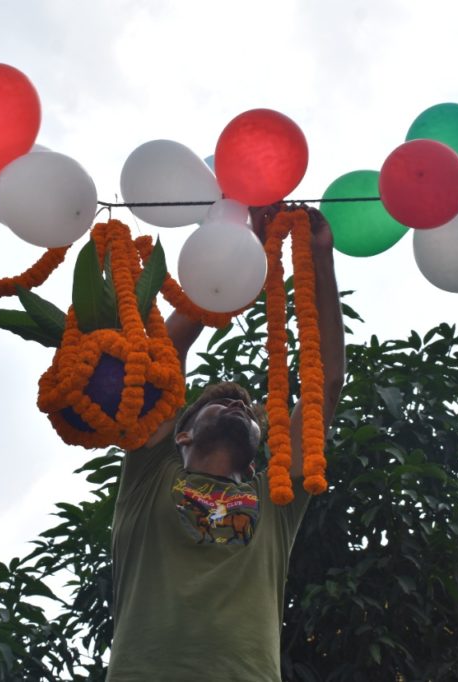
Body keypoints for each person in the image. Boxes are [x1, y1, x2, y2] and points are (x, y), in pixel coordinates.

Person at [106, 203, 347, 680]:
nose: (239, 407)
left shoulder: (275, 497)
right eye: (220, 404)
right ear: (182, 432)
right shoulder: (150, 473)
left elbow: (326, 382)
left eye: (248, 412)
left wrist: (320, 261)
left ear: (260, 450)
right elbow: (168, 352)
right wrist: (242, 255)